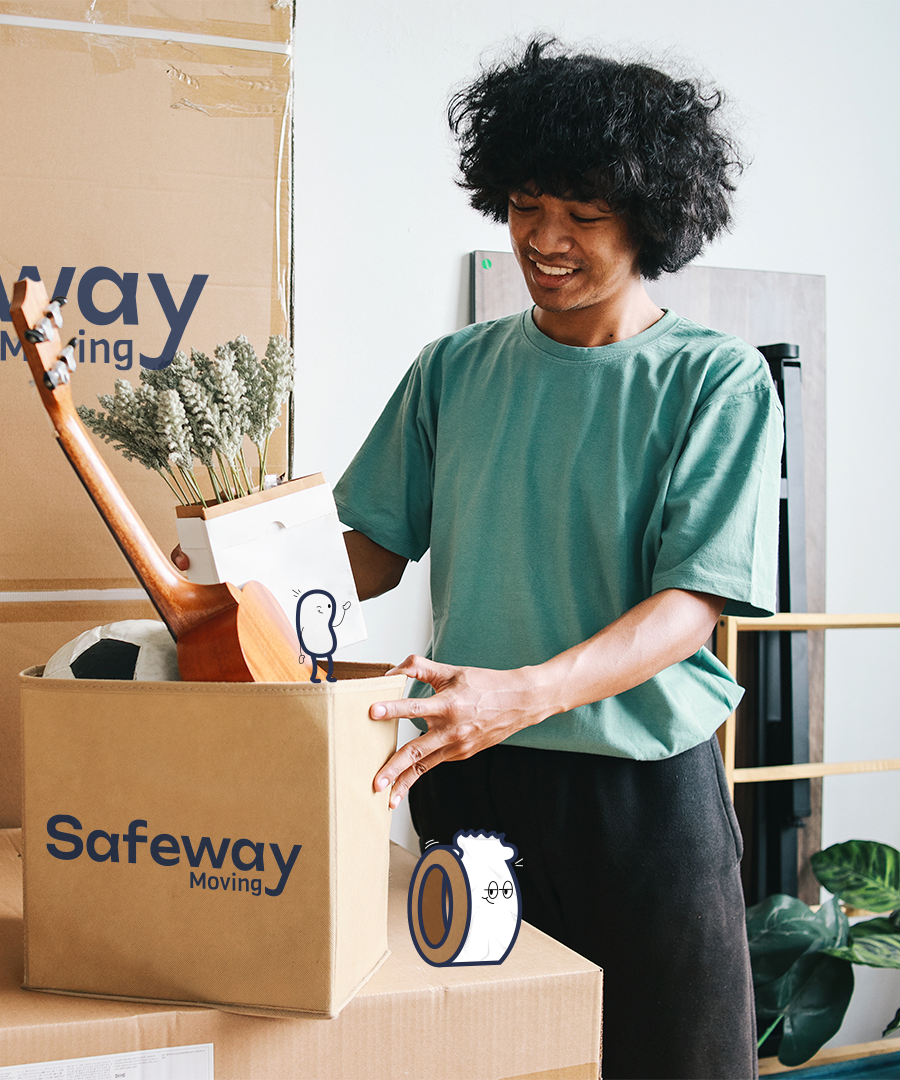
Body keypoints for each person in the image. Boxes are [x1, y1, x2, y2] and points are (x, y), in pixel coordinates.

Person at [338, 38, 780, 1079]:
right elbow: (369, 555)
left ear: (651, 221)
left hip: (640, 795)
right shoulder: (453, 370)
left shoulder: (714, 381)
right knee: (484, 1062)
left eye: (583, 215)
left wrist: (524, 693)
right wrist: (235, 573)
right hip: (468, 778)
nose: (544, 239)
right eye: (526, 205)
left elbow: (692, 604)